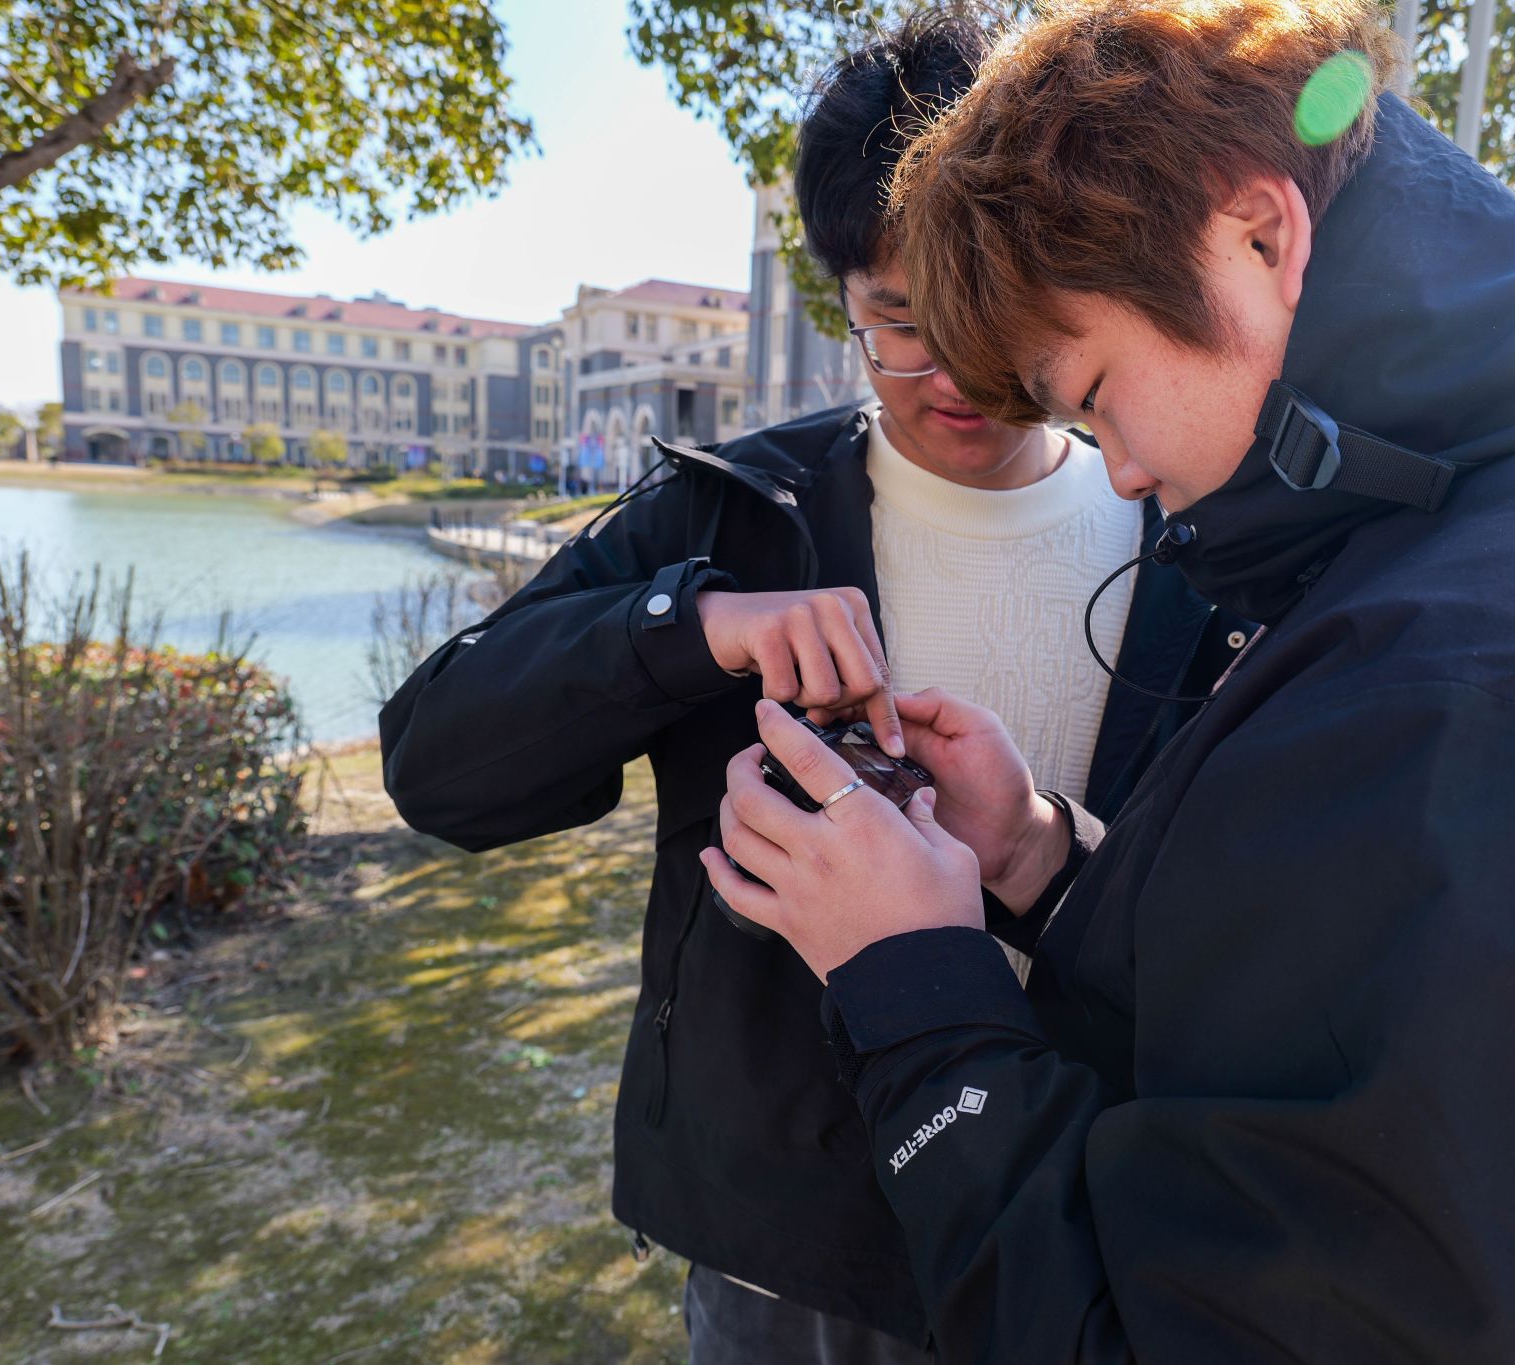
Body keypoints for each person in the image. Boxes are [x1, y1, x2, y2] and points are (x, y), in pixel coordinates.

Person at [703, 2, 1515, 1361]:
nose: (1121, 471)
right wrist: (1042, 863)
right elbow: (1314, 1015)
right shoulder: (1499, 540)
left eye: (1097, 392)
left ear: (1260, 236)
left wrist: (909, 980)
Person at [376, 13, 1248, 1361]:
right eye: (900, 324)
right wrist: (691, 627)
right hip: (795, 1242)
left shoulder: (1188, 524)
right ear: (839, 296)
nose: (956, 374)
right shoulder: (729, 512)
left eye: (990, 314)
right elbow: (437, 766)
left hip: (1089, 1210)